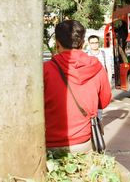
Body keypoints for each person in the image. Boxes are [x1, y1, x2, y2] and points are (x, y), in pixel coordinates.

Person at [44, 20, 112, 153]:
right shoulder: (96, 67)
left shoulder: (45, 70)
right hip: (85, 143)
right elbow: (104, 101)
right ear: (82, 43)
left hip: (49, 145)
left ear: (57, 43)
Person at [86, 35, 113, 120]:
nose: (94, 44)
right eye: (92, 43)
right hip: (90, 84)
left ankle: (99, 120)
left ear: (99, 43)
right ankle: (91, 120)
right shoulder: (86, 55)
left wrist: (109, 83)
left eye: (96, 42)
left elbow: (108, 68)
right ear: (89, 44)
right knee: (90, 103)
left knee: (100, 103)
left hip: (102, 83)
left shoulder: (104, 54)